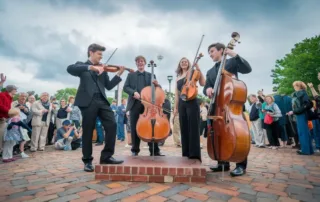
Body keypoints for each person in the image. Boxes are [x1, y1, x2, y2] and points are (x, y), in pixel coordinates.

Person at [67, 43, 125, 172]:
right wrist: (91, 67)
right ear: (91, 52)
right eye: (99, 54)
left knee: (112, 125)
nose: (101, 57)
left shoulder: (102, 69)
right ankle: (87, 161)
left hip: (102, 101)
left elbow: (109, 86)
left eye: (102, 55)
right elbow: (70, 68)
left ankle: (106, 156)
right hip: (88, 102)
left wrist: (119, 74)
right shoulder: (82, 66)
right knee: (88, 130)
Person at [203, 42, 252, 177]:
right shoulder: (210, 71)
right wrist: (207, 89)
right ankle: (222, 162)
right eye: (209, 52)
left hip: (231, 105)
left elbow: (247, 69)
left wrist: (233, 54)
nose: (210, 54)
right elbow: (206, 87)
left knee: (237, 133)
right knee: (219, 133)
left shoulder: (231, 63)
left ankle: (240, 164)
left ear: (221, 51)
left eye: (212, 51)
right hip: (218, 108)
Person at [123, 55, 163, 156]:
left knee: (151, 127)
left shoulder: (151, 75)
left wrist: (157, 85)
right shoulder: (131, 75)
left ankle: (154, 150)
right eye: (138, 61)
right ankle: (135, 150)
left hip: (149, 105)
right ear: (136, 63)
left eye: (142, 61)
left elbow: (158, 89)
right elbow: (125, 87)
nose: (140, 63)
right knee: (134, 127)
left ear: (145, 63)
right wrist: (133, 93)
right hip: (135, 104)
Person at [174, 57, 205, 161]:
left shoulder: (193, 72)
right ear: (180, 64)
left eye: (185, 61)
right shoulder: (178, 77)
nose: (183, 63)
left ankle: (195, 155)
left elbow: (202, 83)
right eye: (182, 61)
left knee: (193, 128)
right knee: (184, 128)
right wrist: (175, 108)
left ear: (188, 63)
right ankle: (186, 153)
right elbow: (177, 94)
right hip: (182, 103)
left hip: (192, 101)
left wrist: (198, 68)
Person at [0, 85, 18, 156]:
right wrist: (9, 111)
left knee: (3, 136)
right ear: (11, 90)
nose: (16, 91)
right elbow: (0, 105)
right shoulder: (2, 95)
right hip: (1, 118)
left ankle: (2, 151)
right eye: (15, 89)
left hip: (5, 119)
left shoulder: (11, 98)